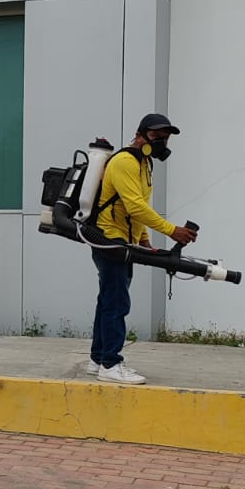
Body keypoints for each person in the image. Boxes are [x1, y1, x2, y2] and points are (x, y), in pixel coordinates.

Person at [87, 114, 197, 385]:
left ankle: (98, 359)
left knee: (108, 299)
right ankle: (110, 364)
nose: (162, 142)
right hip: (110, 239)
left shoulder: (144, 163)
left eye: (166, 138)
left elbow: (136, 205)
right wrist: (172, 230)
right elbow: (135, 206)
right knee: (116, 302)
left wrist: (144, 238)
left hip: (123, 240)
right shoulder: (125, 161)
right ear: (140, 135)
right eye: (156, 136)